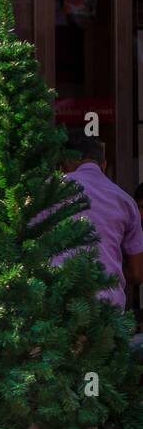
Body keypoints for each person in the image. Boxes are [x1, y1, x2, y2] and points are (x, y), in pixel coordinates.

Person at [59, 130, 143, 309]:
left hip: (61, 304)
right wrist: (109, 272)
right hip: (109, 307)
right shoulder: (125, 201)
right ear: (103, 165)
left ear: (68, 162)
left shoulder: (51, 191)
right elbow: (137, 274)